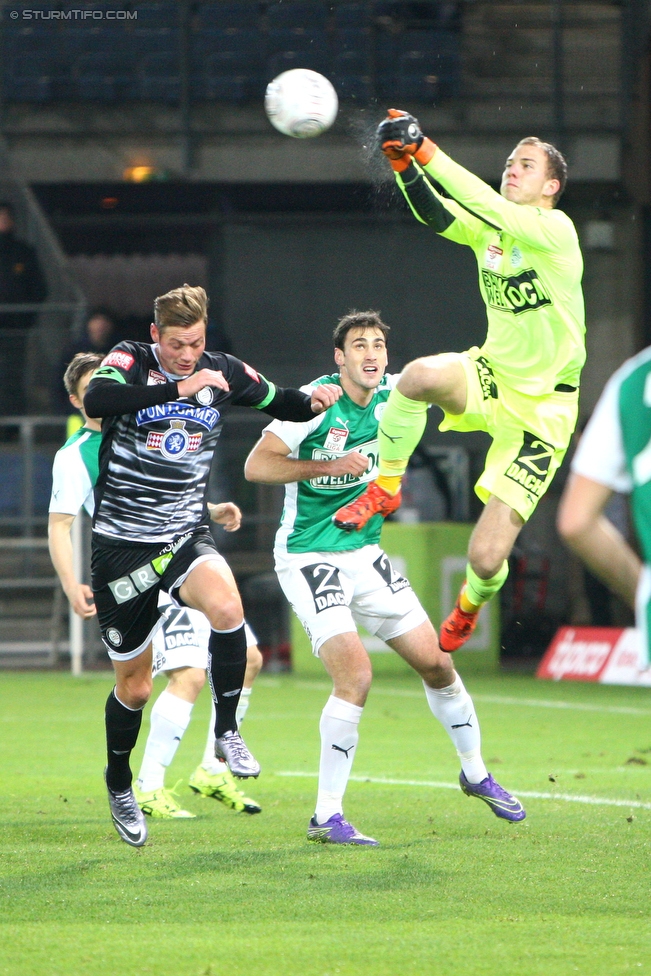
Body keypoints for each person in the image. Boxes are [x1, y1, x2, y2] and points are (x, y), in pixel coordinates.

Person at [244, 310, 525, 845]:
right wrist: (329, 466)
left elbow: (452, 385)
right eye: (358, 345)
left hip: (365, 552)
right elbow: (258, 465)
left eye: (377, 345)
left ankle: (475, 774)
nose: (370, 354)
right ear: (339, 357)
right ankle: (326, 816)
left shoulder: (399, 396)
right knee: (356, 677)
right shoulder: (313, 403)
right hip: (308, 555)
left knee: (437, 663)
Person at [83, 284, 342, 846]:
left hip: (182, 536)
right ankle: (120, 784)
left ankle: (225, 734)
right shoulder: (129, 358)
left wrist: (314, 401)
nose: (187, 354)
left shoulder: (220, 369)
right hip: (122, 547)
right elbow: (97, 402)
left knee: (227, 607)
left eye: (195, 344)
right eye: (176, 344)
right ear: (156, 336)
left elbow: (280, 400)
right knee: (135, 688)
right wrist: (180, 386)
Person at [333, 110, 586, 657]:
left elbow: (483, 201)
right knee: (417, 376)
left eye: (525, 165)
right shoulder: (494, 234)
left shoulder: (556, 231)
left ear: (551, 187)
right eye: (509, 162)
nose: (511, 170)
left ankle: (469, 605)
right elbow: (440, 215)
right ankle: (388, 484)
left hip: (544, 415)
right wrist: (404, 165)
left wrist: (424, 149)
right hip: (494, 375)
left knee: (486, 559)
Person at [47, 351, 263, 819]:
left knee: (248, 658)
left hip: (179, 558)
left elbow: (164, 501)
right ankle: (145, 784)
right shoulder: (76, 456)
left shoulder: (147, 430)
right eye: (93, 392)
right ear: (76, 400)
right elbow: (60, 524)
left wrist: (212, 510)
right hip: (137, 577)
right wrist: (71, 584)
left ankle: (209, 765)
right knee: (165, 680)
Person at [557, 352, 644, 644]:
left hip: (614, 540)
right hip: (613, 536)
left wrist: (643, 592)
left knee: (601, 590)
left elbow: (576, 522)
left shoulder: (632, 380)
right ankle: (604, 633)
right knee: (595, 593)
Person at [0, 201, 48, 416]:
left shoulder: (23, 252)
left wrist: (25, 318)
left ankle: (10, 424)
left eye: (4, 217)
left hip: (16, 328)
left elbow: (39, 289)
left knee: (12, 375)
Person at [51, 308, 116, 416]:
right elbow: (59, 382)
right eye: (96, 320)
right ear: (88, 324)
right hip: (76, 413)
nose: (100, 326)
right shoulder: (73, 352)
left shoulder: (118, 352)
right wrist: (64, 409)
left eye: (104, 321)